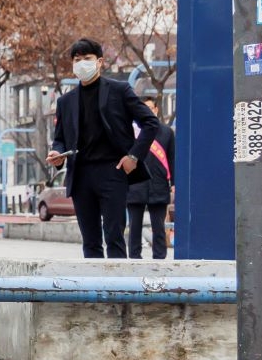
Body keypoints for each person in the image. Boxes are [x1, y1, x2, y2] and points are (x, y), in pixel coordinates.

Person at [47, 38, 163, 259]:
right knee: (90, 241)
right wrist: (57, 154)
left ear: (99, 62)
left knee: (114, 236)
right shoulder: (65, 102)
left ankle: (116, 290)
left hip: (113, 171)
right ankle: (94, 290)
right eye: (77, 59)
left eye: (87, 59)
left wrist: (133, 156)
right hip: (80, 175)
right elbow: (60, 138)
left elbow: (151, 123)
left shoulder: (120, 90)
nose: (82, 63)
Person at [126, 97, 176, 259]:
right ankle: (134, 257)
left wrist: (174, 183)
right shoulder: (131, 131)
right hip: (135, 185)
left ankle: (159, 258)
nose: (147, 111)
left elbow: (172, 159)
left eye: (150, 108)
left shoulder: (166, 132)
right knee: (134, 226)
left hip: (158, 185)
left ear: (156, 110)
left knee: (158, 226)